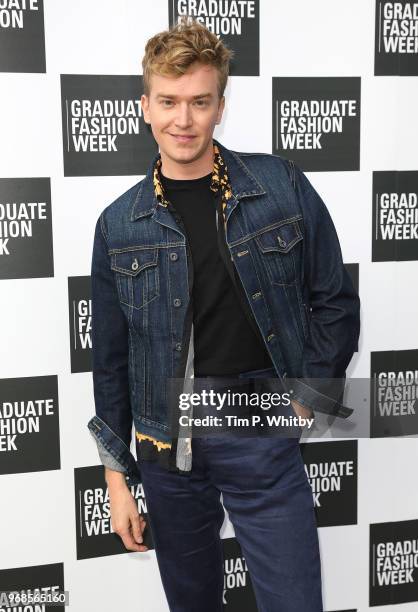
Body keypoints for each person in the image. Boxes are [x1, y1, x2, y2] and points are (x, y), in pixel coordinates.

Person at [87, 18, 360, 612]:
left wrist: (307, 395)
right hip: (165, 443)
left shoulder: (280, 187)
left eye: (199, 102)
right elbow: (109, 360)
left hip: (259, 423)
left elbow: (334, 300)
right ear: (145, 106)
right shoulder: (118, 224)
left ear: (220, 107)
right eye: (168, 102)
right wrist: (116, 477)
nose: (182, 120)